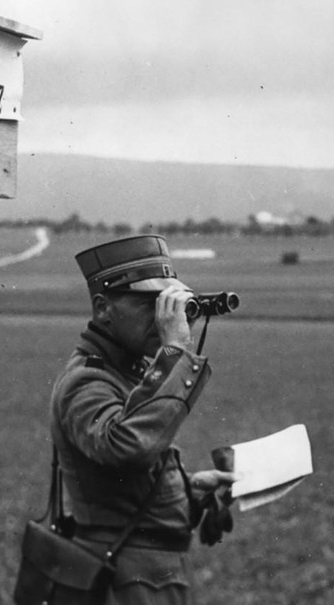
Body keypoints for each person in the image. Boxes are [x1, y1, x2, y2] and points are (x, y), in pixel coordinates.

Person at [49, 234, 236, 604]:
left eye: (169, 303)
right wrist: (174, 353)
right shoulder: (86, 381)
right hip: (120, 581)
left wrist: (189, 490)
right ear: (103, 308)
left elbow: (126, 483)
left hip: (147, 576)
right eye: (150, 304)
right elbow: (126, 448)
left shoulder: (125, 373)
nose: (165, 316)